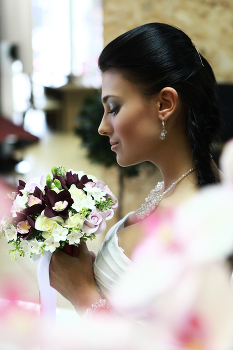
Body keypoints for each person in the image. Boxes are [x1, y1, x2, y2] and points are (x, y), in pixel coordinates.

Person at [49, 22, 220, 316]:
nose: (103, 127)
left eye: (113, 107)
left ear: (164, 104)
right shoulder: (175, 187)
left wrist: (82, 294)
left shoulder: (185, 221)